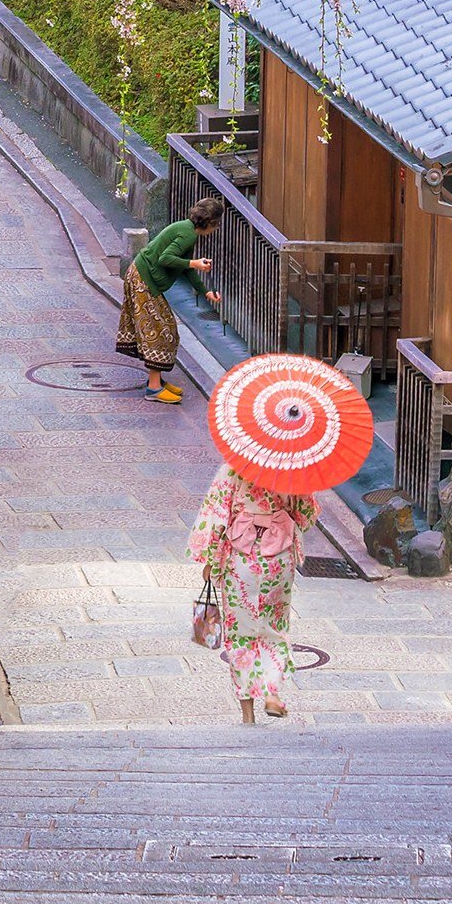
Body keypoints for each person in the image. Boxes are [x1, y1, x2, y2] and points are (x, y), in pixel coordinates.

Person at [189, 462, 312, 721]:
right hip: (278, 556)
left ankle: (248, 715)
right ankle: (271, 693)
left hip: (242, 555)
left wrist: (211, 559)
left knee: (240, 634)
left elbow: (216, 513)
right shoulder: (294, 465)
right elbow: (305, 513)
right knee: (274, 628)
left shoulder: (235, 466)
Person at [117, 195, 221, 404]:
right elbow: (167, 259)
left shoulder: (187, 230)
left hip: (142, 277)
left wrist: (205, 291)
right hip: (143, 281)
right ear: (211, 223)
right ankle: (153, 388)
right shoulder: (187, 234)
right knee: (163, 331)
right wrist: (194, 263)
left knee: (164, 328)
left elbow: (183, 266)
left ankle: (156, 381)